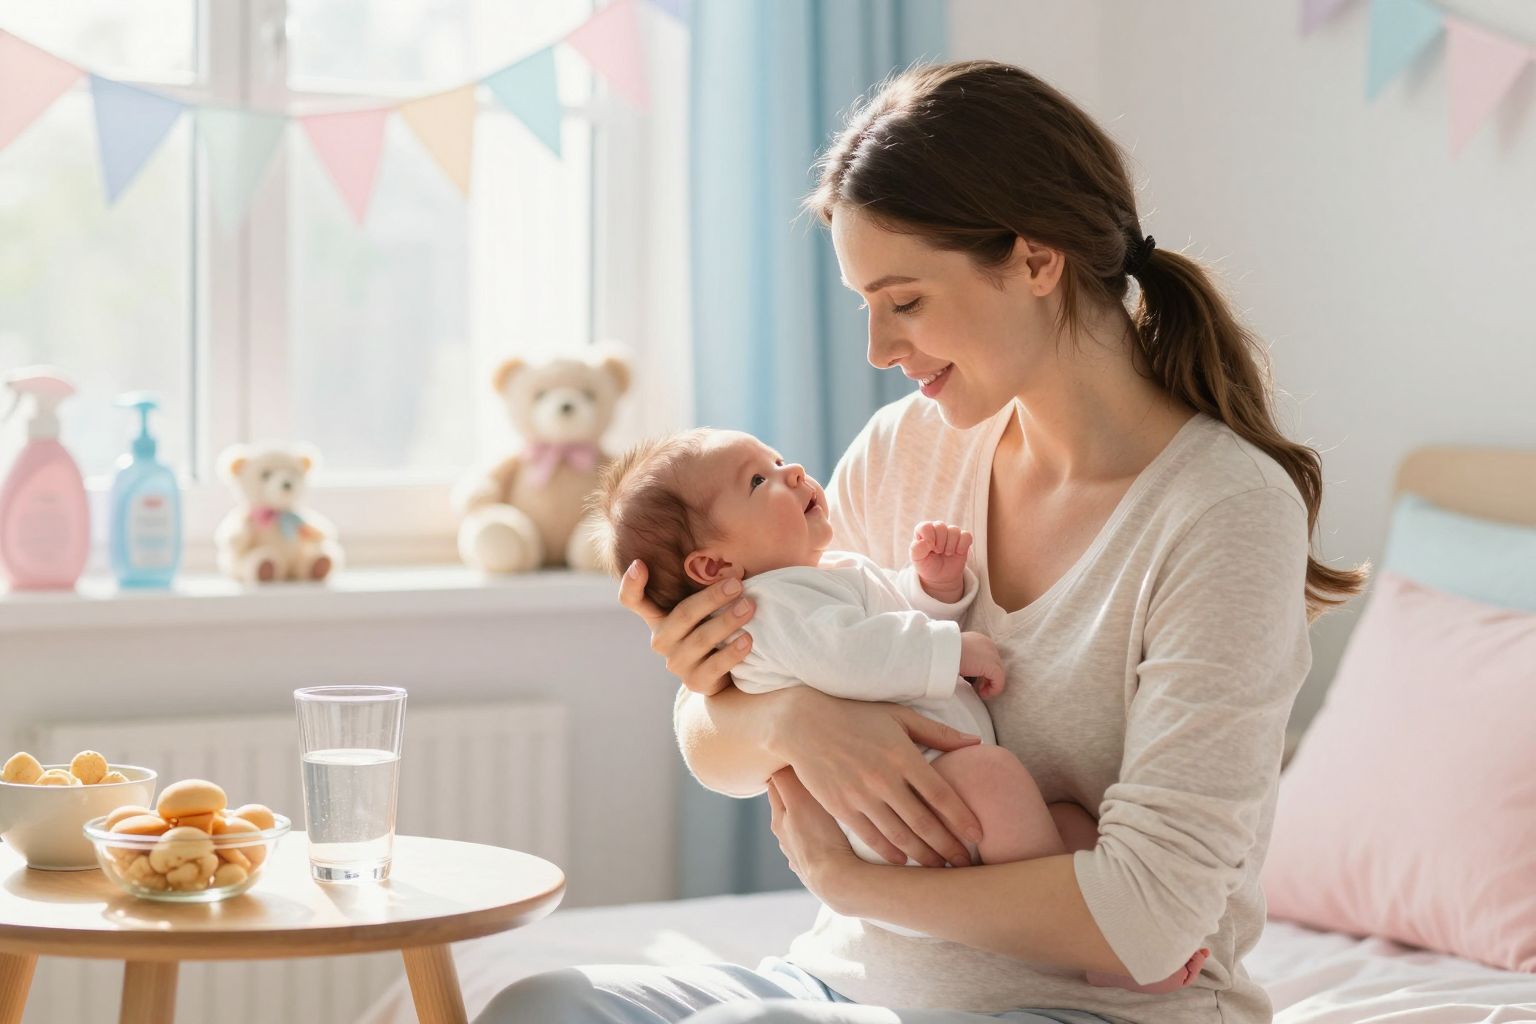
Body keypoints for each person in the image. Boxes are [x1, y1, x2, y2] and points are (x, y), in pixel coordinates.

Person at [474, 58, 1365, 1024]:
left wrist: (857, 886)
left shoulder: (1221, 511)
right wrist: (786, 720)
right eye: (865, 306)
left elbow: (1153, 920)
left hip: (1087, 1011)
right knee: (539, 1004)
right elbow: (713, 740)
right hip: (845, 986)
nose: (878, 350)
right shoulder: (911, 447)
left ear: (1034, 260)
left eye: (904, 301)